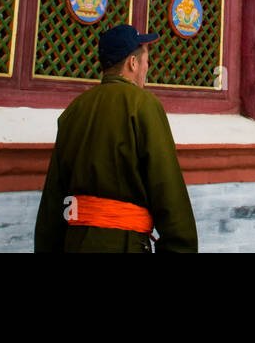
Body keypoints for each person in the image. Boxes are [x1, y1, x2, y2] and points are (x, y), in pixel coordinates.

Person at [33, 23, 198, 253]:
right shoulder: (144, 105)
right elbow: (167, 189)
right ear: (133, 63)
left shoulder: (74, 110)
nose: (146, 69)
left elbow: (53, 200)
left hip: (74, 243)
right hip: (123, 245)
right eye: (145, 62)